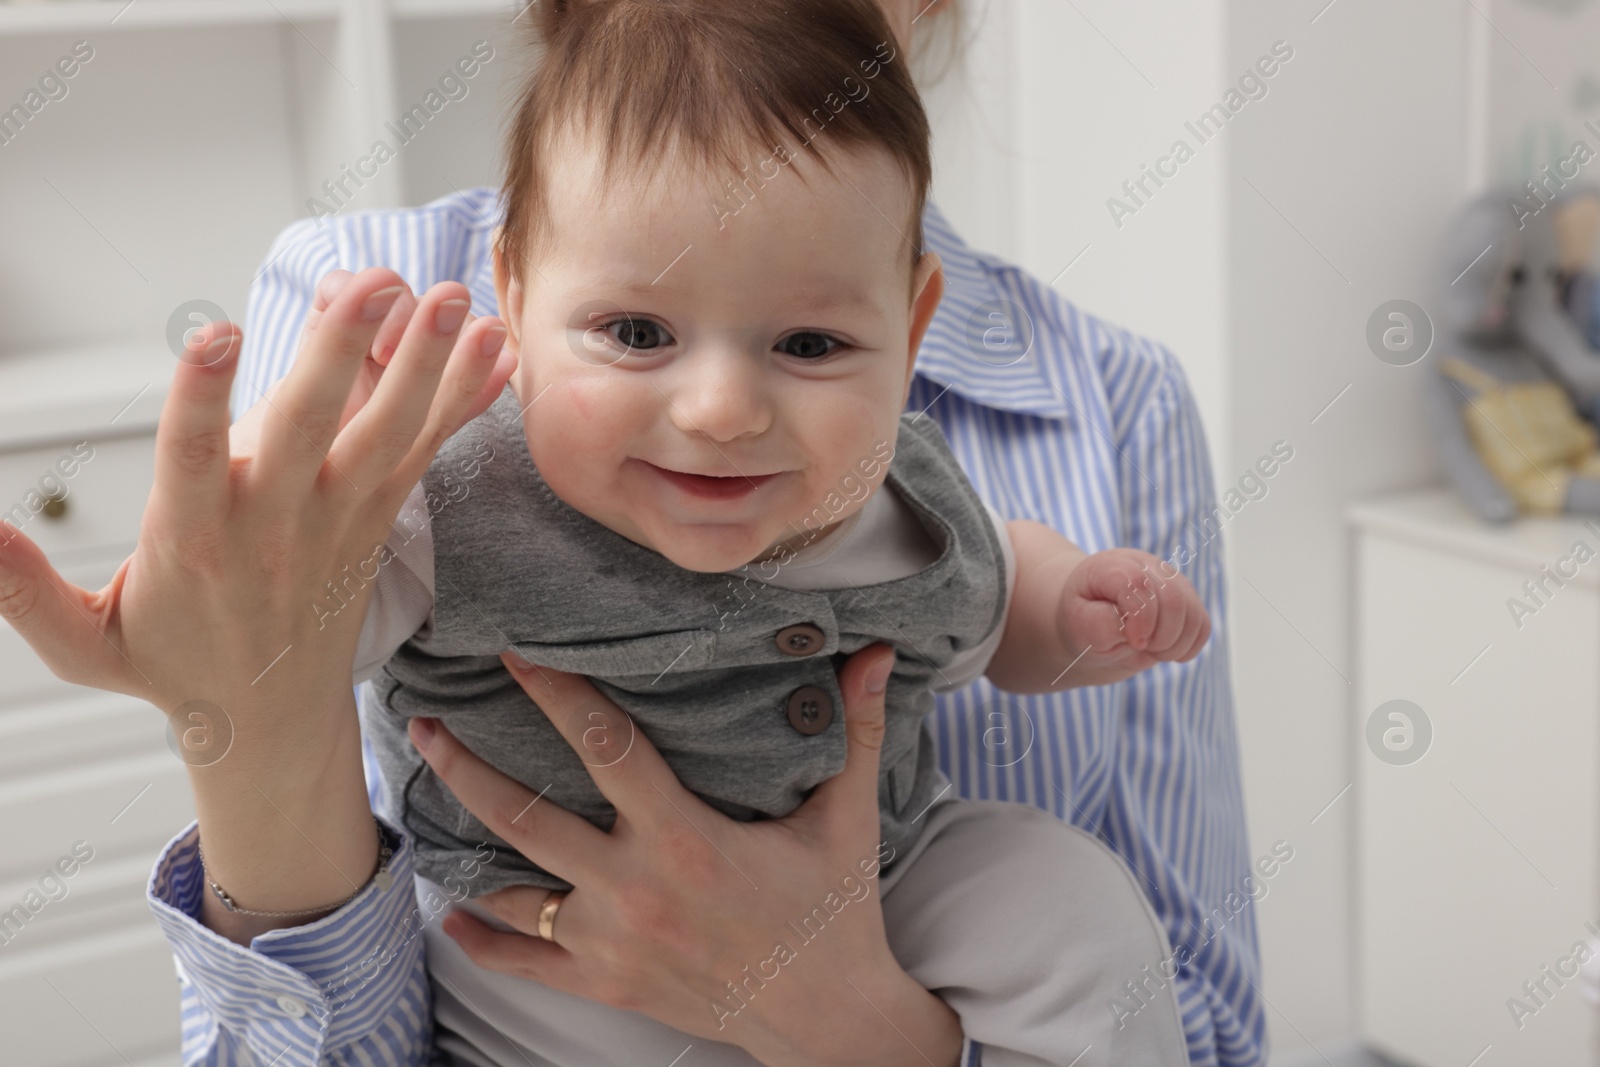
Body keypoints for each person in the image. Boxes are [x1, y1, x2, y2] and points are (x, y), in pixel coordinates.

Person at [0, 2, 1263, 1067]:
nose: (719, 411)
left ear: (910, 323)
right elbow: (290, 618)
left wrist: (1080, 606)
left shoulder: (965, 462)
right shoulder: (439, 464)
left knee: (1074, 905)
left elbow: (999, 588)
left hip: (898, 885)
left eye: (808, 345)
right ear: (510, 292)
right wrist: (217, 663)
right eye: (637, 335)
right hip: (530, 956)